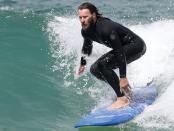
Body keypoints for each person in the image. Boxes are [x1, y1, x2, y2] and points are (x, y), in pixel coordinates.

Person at [77, 2, 146, 109]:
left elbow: (119, 52)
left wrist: (123, 77)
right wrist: (83, 63)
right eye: (80, 17)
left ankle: (122, 98)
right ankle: (126, 92)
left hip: (136, 46)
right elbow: (87, 46)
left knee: (102, 65)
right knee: (94, 69)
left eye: (85, 17)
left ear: (94, 15)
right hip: (123, 49)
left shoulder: (106, 29)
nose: (82, 20)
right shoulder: (86, 31)